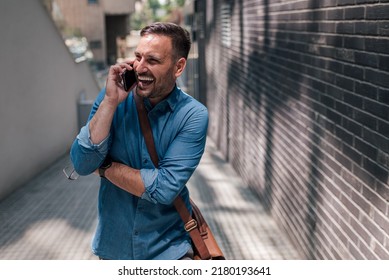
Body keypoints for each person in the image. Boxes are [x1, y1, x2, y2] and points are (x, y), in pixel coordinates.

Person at [70, 22, 208, 260]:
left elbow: (163, 189)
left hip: (168, 251)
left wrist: (104, 168)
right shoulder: (112, 98)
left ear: (178, 67)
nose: (140, 67)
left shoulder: (193, 115)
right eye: (137, 57)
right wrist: (111, 103)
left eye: (152, 61)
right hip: (113, 249)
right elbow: (82, 164)